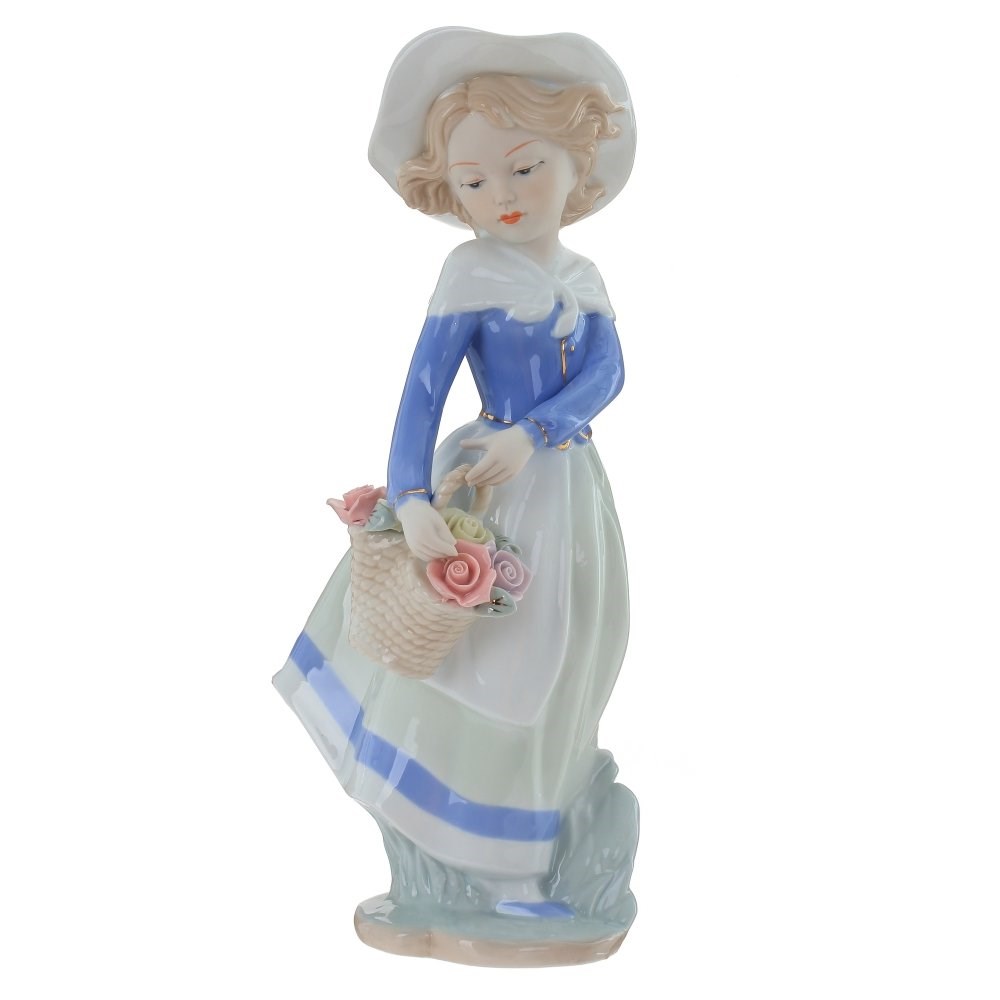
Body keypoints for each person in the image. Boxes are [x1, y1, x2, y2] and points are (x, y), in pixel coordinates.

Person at [274, 28, 638, 966]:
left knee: (574, 649)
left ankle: (536, 849)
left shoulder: (584, 278)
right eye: (474, 181)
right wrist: (413, 498)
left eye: (524, 168)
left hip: (566, 490)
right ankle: (473, 862)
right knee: (481, 665)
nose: (501, 196)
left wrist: (537, 432)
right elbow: (422, 392)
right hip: (485, 491)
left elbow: (608, 374)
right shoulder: (469, 274)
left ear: (576, 163)